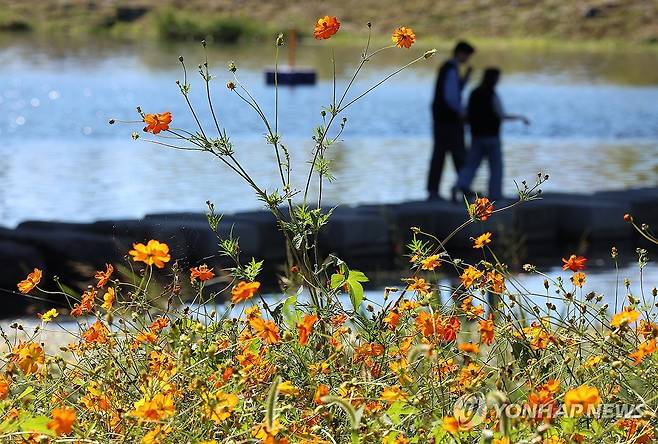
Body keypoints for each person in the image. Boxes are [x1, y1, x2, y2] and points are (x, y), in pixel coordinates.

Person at [453, 68, 529, 202]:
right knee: (496, 167)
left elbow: (466, 113)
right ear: (494, 79)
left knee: (471, 165)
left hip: (476, 136)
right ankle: (495, 195)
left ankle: (460, 186)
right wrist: (520, 118)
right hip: (492, 138)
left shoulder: (474, 93)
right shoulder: (492, 94)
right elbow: (501, 115)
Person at [427, 41, 476, 200]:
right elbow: (451, 97)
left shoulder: (449, 69)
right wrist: (462, 113)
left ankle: (435, 191)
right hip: (449, 121)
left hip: (441, 120)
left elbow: (453, 91)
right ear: (461, 53)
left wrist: (465, 79)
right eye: (467, 55)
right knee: (458, 154)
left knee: (440, 155)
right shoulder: (450, 69)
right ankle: (463, 188)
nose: (467, 59)